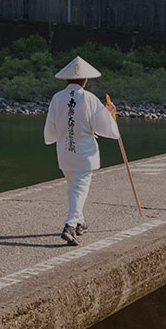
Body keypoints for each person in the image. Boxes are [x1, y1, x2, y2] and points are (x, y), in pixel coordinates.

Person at [43, 56, 119, 246]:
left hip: (65, 151)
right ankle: (69, 226)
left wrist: (54, 137)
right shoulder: (90, 98)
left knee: (73, 188)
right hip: (84, 152)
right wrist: (109, 113)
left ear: (67, 79)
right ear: (85, 80)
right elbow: (102, 126)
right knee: (79, 189)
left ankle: (80, 223)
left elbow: (51, 128)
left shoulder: (57, 98)